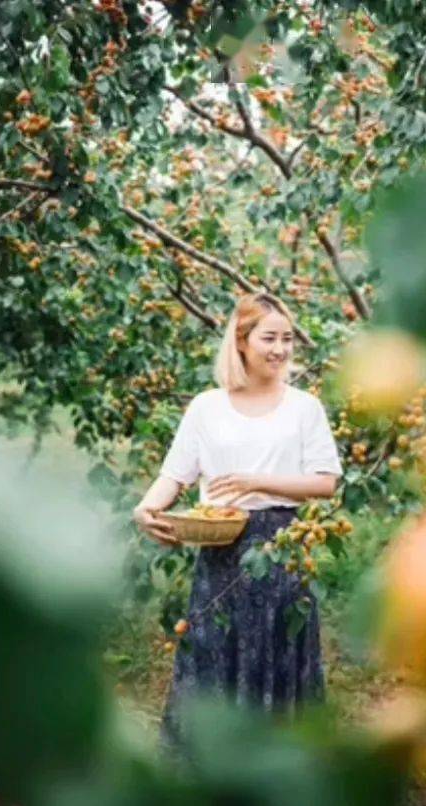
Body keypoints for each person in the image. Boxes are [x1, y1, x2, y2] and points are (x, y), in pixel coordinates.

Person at [132, 292, 343, 746]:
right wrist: (145, 509)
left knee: (277, 651)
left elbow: (326, 481)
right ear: (241, 341)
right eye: (269, 338)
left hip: (281, 549)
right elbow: (174, 475)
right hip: (221, 550)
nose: (281, 349)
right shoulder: (207, 407)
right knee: (215, 653)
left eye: (288, 339)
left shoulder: (303, 407)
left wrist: (257, 481)